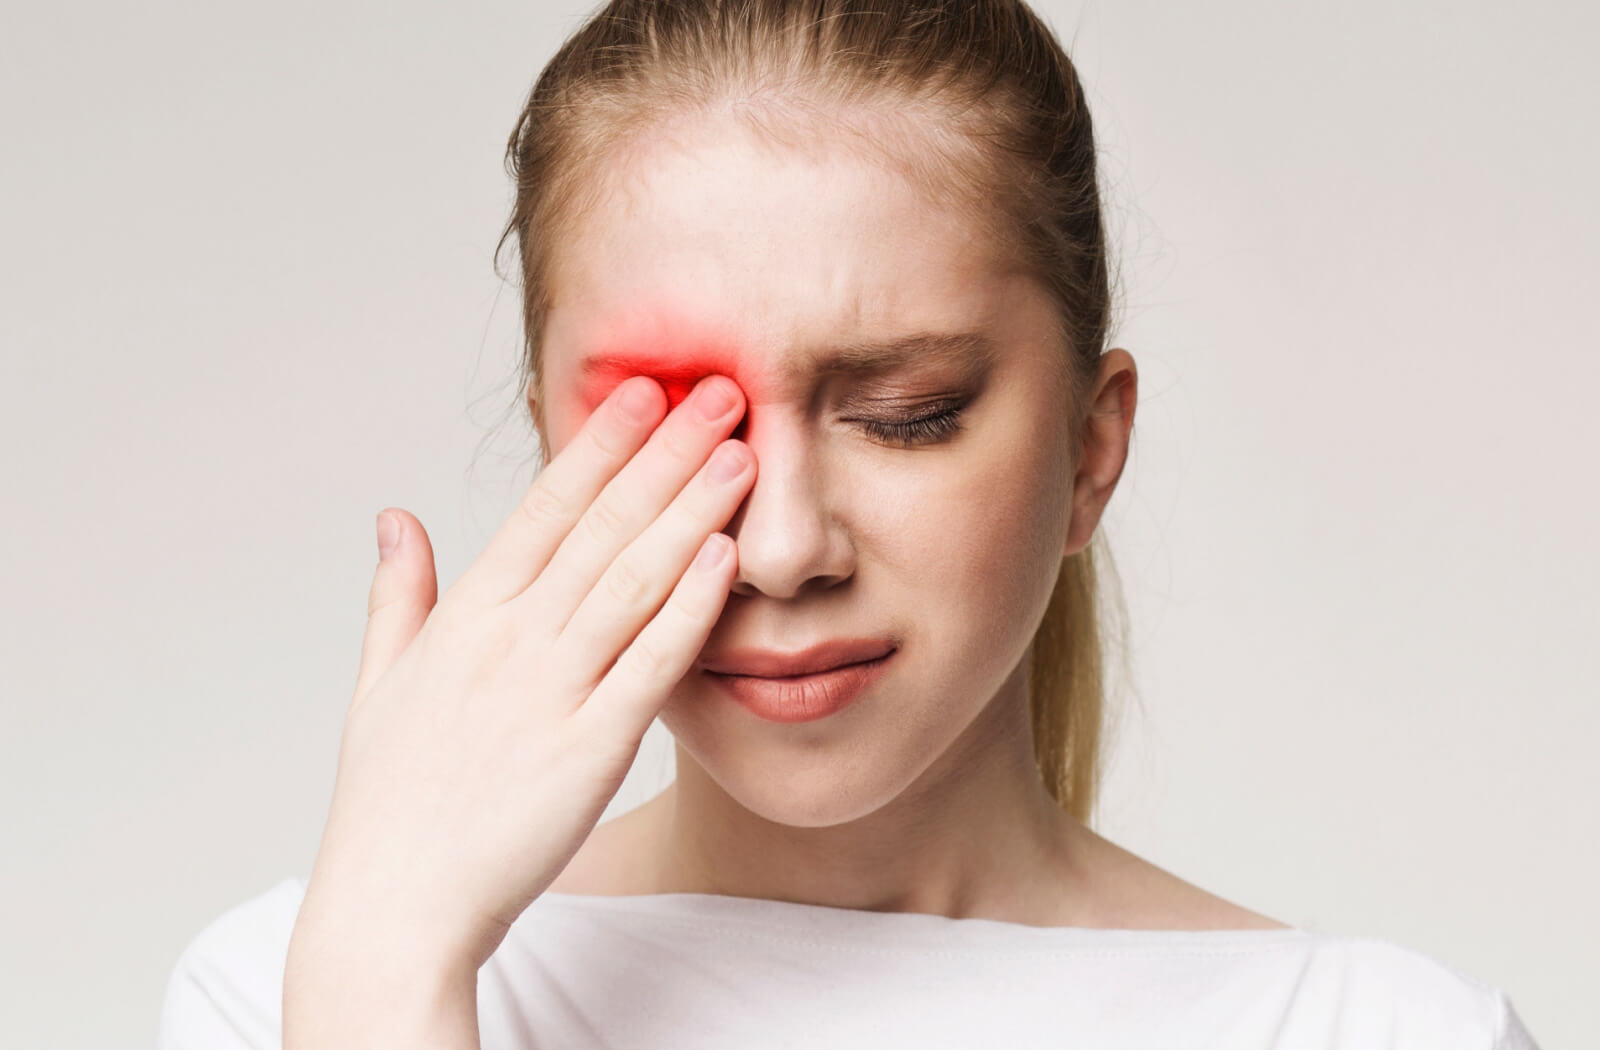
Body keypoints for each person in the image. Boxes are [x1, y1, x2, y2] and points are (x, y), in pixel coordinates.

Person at [158, 1, 1540, 1047]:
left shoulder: (1377, 1029)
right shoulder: (291, 984)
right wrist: (383, 975)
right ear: (552, 446)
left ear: (1090, 447)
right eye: (680, 425)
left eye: (909, 410)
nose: (780, 547)